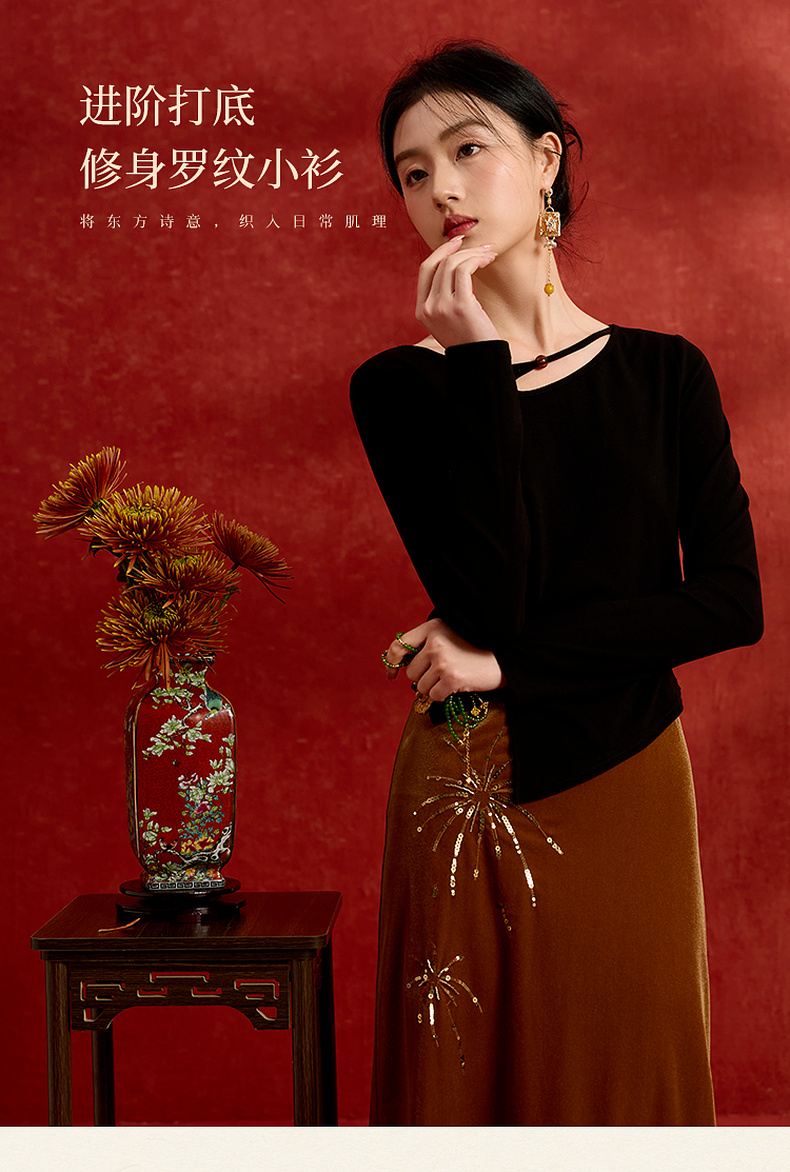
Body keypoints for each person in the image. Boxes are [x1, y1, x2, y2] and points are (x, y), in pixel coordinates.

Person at [350, 40, 762, 1127]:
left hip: (627, 765)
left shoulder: (666, 373)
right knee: (464, 1095)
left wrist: (507, 664)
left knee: (630, 1086)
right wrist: (478, 363)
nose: (439, 189)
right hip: (471, 778)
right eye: (411, 172)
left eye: (465, 150)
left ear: (545, 162)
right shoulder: (400, 388)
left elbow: (730, 603)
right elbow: (489, 596)